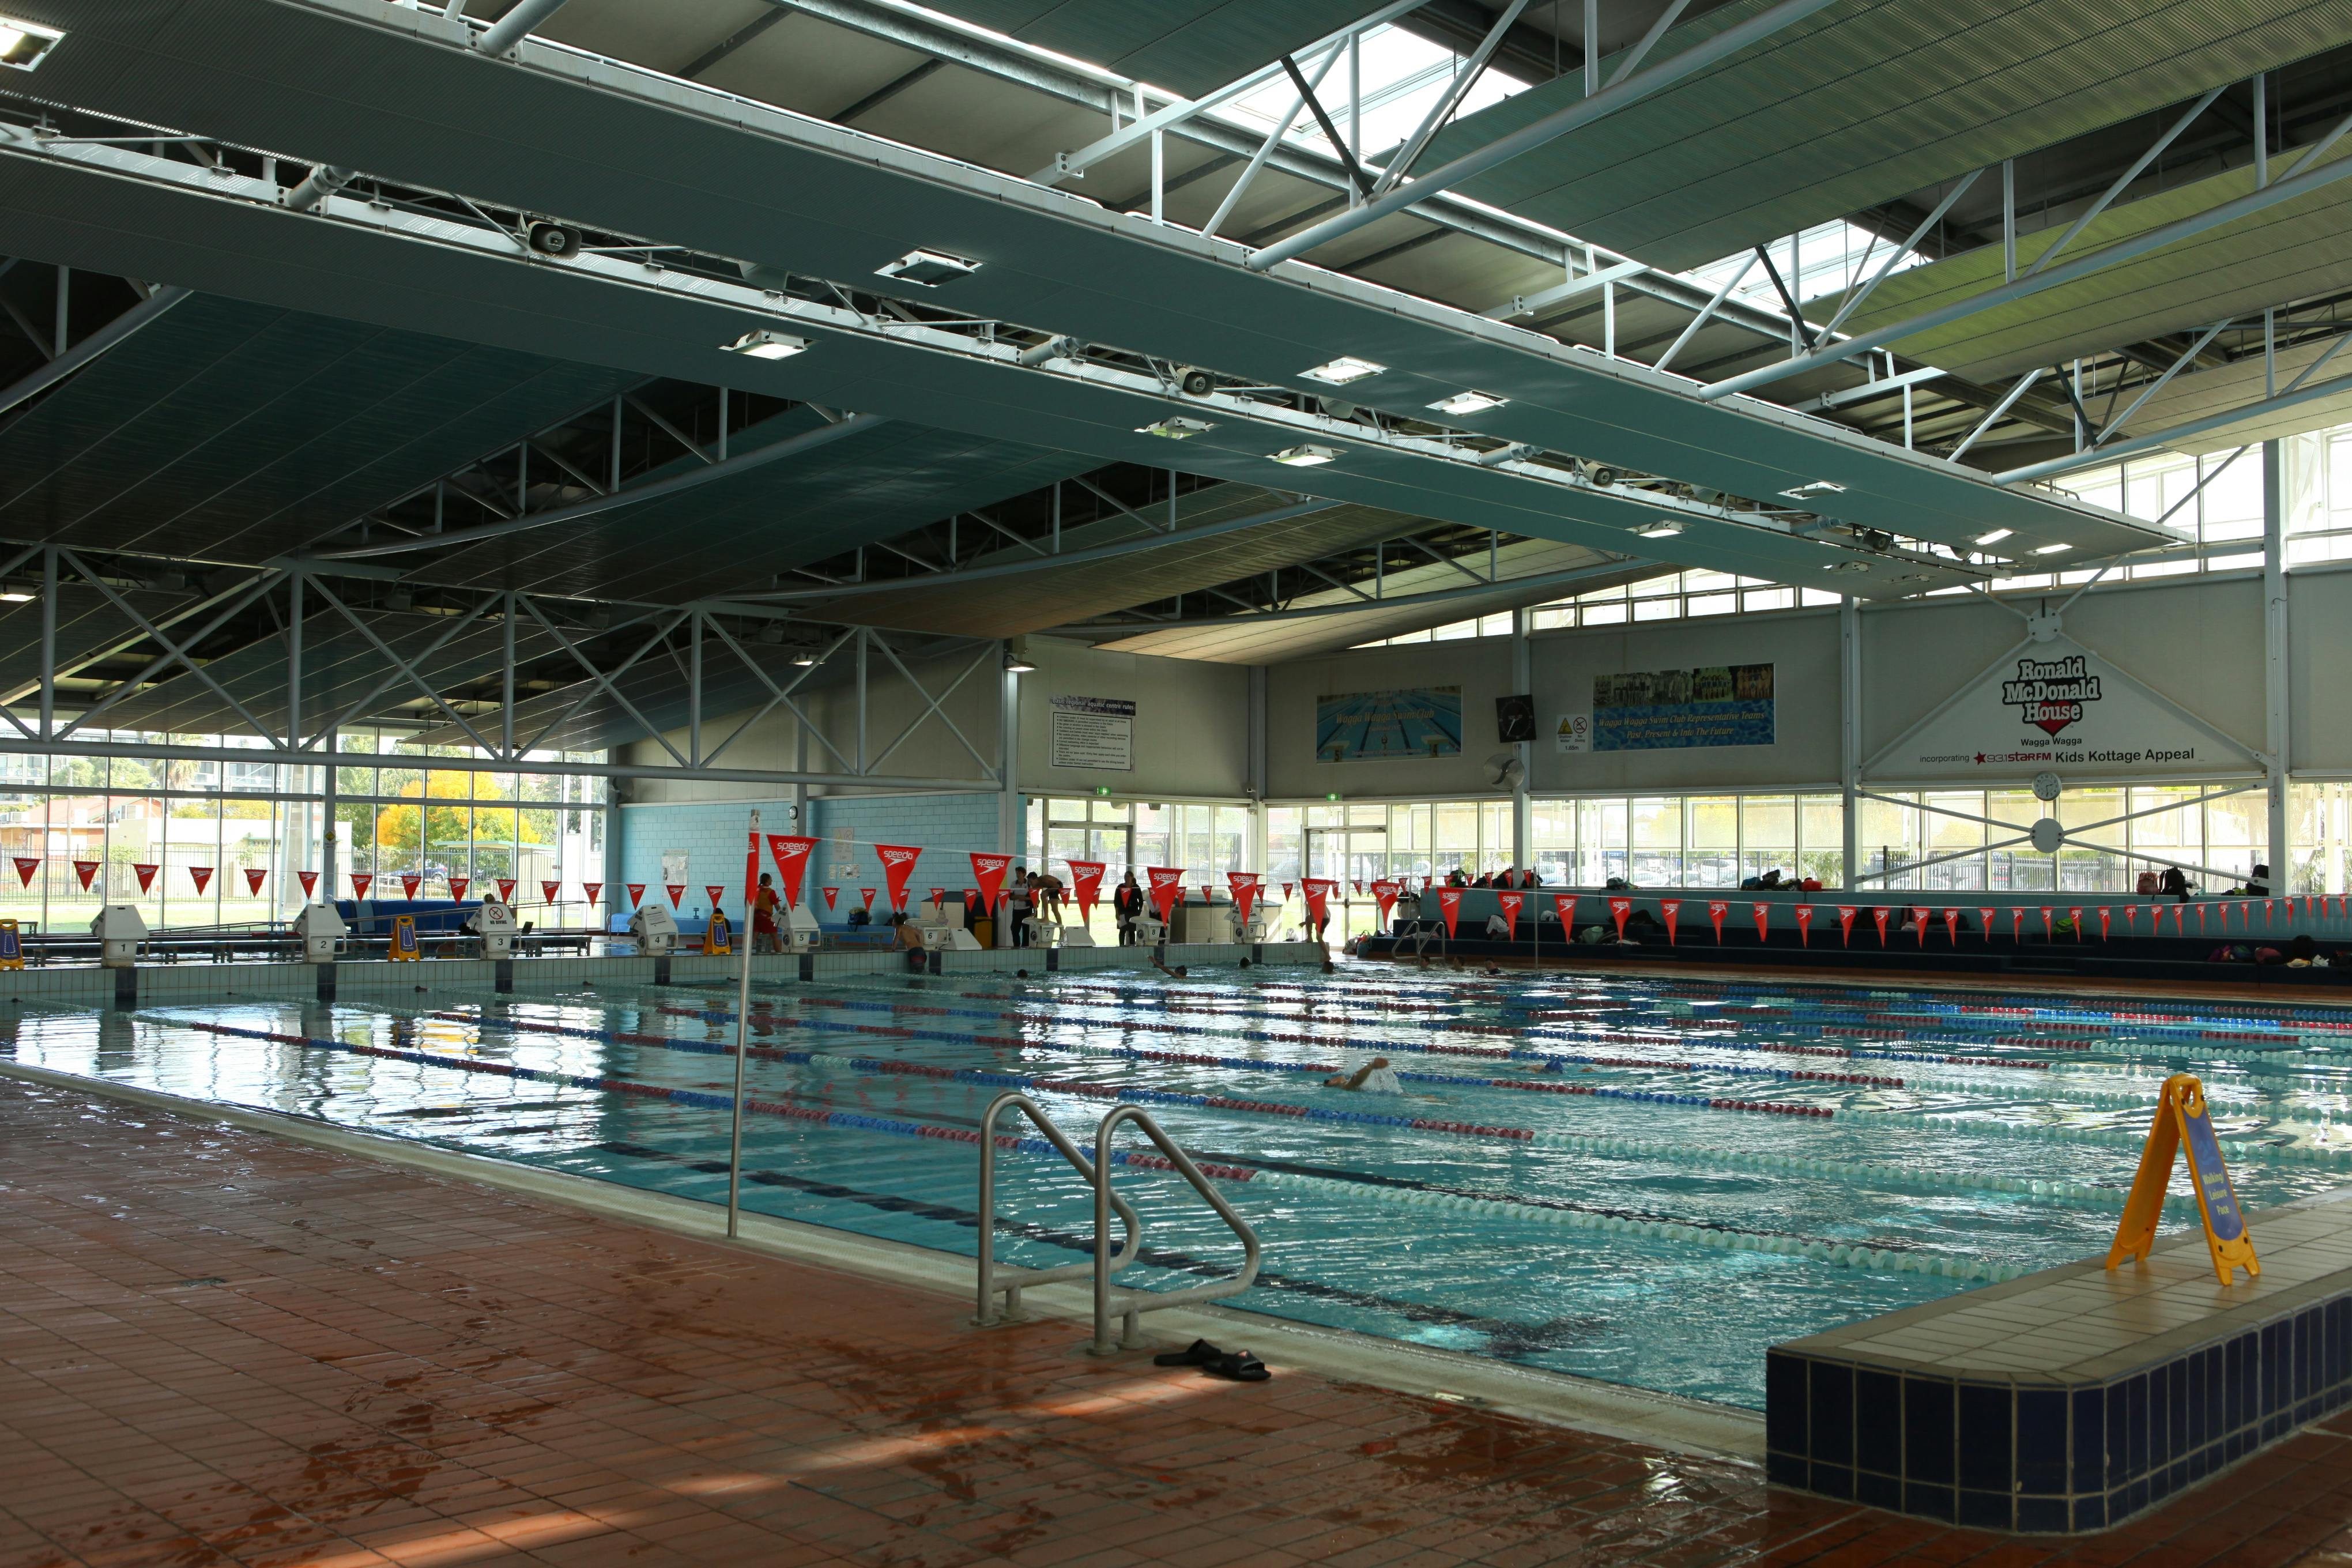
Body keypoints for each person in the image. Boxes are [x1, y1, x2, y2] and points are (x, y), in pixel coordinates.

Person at [1324, 1056, 1401, 1093]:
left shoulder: (1342, 1082)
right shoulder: (1343, 1084)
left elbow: (1354, 1080)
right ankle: (1371, 1067)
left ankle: (1371, 1067)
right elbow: (1354, 1080)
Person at [751, 872, 782, 954]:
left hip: (756, 916)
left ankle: (746, 952)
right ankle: (780, 954)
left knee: (755, 936)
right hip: (766, 917)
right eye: (771, 879)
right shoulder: (770, 892)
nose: (772, 880)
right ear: (767, 881)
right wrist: (782, 914)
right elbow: (777, 906)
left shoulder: (756, 890)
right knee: (775, 936)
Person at [1114, 870, 1144, 945]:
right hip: (1122, 912)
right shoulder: (1120, 887)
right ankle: (1121, 947)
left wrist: (1140, 911)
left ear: (1132, 878)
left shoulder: (1136, 887)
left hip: (1133, 912)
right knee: (1122, 931)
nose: (1126, 878)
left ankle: (1132, 947)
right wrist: (1117, 913)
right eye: (1125, 876)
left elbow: (1141, 900)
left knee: (1132, 931)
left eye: (1128, 876)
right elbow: (1116, 901)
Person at [1008, 866, 1032, 947]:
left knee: (1026, 930)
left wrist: (1025, 898)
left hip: (1026, 910)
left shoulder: (1029, 884)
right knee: (1014, 930)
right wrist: (1019, 897)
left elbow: (1033, 898)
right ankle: (1016, 946)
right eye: (1017, 873)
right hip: (1017, 910)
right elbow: (1011, 897)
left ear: (1024, 874)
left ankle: (1025, 947)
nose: (1018, 875)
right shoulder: (1013, 884)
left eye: (1019, 873)